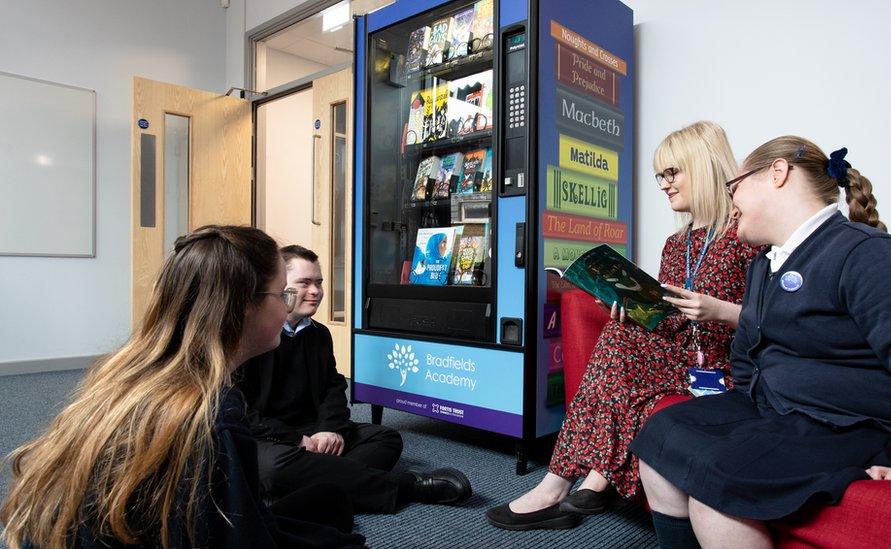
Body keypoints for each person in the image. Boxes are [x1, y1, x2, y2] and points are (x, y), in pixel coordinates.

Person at [631, 137, 891, 548]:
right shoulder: (767, 262)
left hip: (852, 424)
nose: (730, 202)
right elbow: (749, 346)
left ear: (777, 173)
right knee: (658, 436)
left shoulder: (870, 255)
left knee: (716, 484)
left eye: (734, 186)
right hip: (776, 410)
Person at [1, 225, 366, 549]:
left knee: (328, 499)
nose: (293, 304)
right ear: (243, 307)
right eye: (282, 295)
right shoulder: (212, 414)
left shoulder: (129, 373)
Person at [487, 121, 760, 531]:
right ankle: (572, 482)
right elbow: (669, 321)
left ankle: (572, 482)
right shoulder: (676, 244)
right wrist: (631, 309)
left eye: (673, 172)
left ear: (702, 167)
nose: (664, 184)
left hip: (721, 368)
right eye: (660, 175)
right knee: (618, 333)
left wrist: (718, 309)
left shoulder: (747, 235)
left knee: (619, 354)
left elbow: (771, 318)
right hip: (678, 357)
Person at [236, 245, 472, 515]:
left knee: (386, 438)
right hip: (271, 438)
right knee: (274, 467)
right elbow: (243, 412)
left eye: (319, 283)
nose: (315, 291)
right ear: (281, 287)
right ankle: (403, 487)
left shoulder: (319, 334)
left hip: (313, 429)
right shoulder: (254, 336)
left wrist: (330, 429)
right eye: (304, 283)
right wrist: (297, 439)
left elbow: (333, 387)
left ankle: (308, 487)